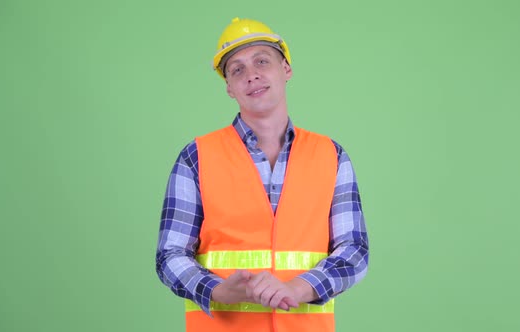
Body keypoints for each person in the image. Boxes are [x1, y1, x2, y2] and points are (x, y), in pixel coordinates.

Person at [156, 17, 369, 332]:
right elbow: (169, 254)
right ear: (229, 86)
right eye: (237, 69)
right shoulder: (196, 157)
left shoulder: (332, 156)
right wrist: (216, 289)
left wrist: (298, 287)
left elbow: (354, 250)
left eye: (262, 61)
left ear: (286, 69)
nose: (251, 74)